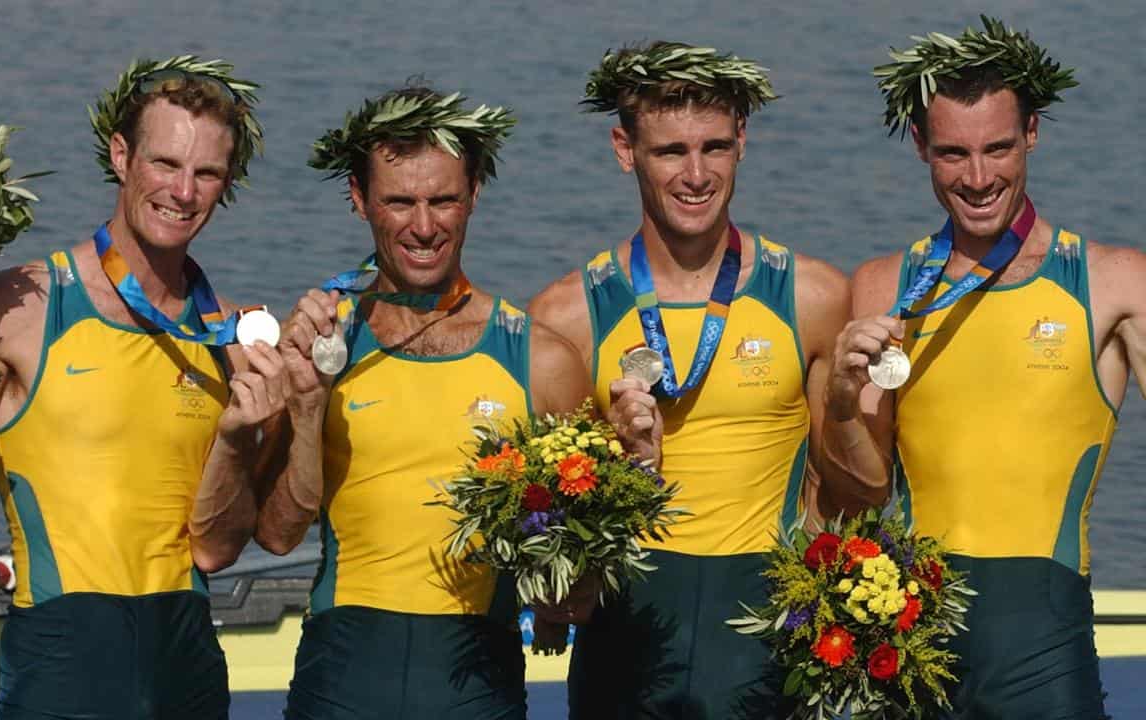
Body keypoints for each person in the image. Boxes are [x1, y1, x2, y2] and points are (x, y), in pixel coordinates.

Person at [0, 57, 285, 719]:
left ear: (225, 183)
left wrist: (243, 440)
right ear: (121, 156)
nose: (183, 192)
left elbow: (214, 549)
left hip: (187, 662)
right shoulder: (15, 312)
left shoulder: (231, 338)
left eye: (206, 173)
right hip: (62, 660)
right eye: (164, 163)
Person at [528, 41, 849, 718]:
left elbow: (843, 488)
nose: (696, 174)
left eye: (715, 148)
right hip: (626, 638)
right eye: (671, 151)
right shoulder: (567, 316)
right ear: (625, 149)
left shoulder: (813, 296)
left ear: (743, 143)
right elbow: (544, 535)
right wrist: (616, 467)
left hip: (762, 638)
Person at [255, 85, 592, 720]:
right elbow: (276, 536)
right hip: (342, 671)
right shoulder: (322, 343)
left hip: (476, 680)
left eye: (443, 200)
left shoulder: (540, 360)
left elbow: (577, 578)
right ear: (359, 200)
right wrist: (303, 405)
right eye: (399, 201)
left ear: (473, 197)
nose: (424, 225)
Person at [822, 16, 1124, 719]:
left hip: (1045, 645)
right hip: (914, 639)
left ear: (1033, 134)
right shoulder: (881, 287)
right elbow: (862, 493)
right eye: (954, 154)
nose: (980, 177)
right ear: (922, 146)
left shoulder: (1111, 283)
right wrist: (839, 403)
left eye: (998, 148)